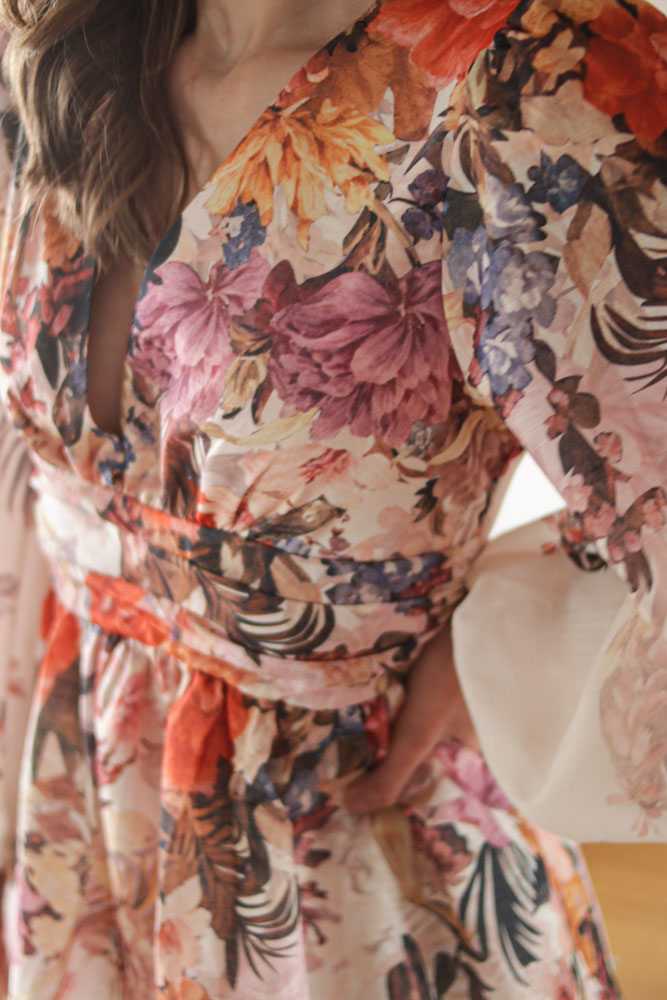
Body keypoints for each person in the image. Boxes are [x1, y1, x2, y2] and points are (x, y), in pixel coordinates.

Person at [0, 0, 664, 996]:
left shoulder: (529, 84)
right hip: (83, 825)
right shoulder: (55, 34)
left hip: (343, 877)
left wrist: (510, 627)